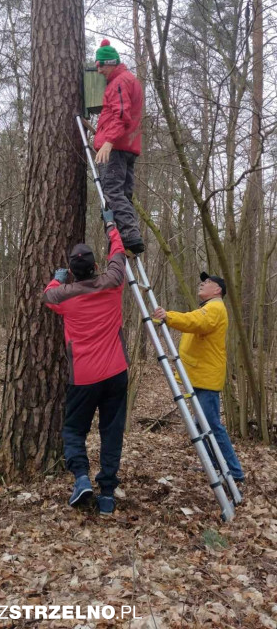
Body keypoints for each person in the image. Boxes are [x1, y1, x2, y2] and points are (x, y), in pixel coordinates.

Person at [43, 209, 129, 515]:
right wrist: (110, 226)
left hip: (84, 376)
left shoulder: (64, 296)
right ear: (95, 266)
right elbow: (118, 253)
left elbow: (48, 295)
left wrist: (57, 278)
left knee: (74, 431)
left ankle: (81, 478)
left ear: (72, 272)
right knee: (112, 431)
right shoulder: (112, 282)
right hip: (116, 372)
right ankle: (107, 494)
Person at [153, 272, 245, 482]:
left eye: (208, 282)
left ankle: (234, 471)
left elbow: (195, 322)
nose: (202, 283)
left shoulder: (215, 308)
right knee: (200, 425)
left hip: (206, 377)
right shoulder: (208, 307)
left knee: (211, 424)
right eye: (202, 280)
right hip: (200, 375)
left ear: (218, 290)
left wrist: (169, 316)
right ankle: (214, 466)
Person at [93, 38, 144, 255]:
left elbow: (121, 115)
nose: (98, 70)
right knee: (123, 194)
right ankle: (123, 240)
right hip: (128, 147)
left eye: (100, 65)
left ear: (110, 63)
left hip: (117, 147)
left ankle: (130, 237)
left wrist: (108, 142)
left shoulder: (119, 82)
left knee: (112, 193)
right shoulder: (129, 80)